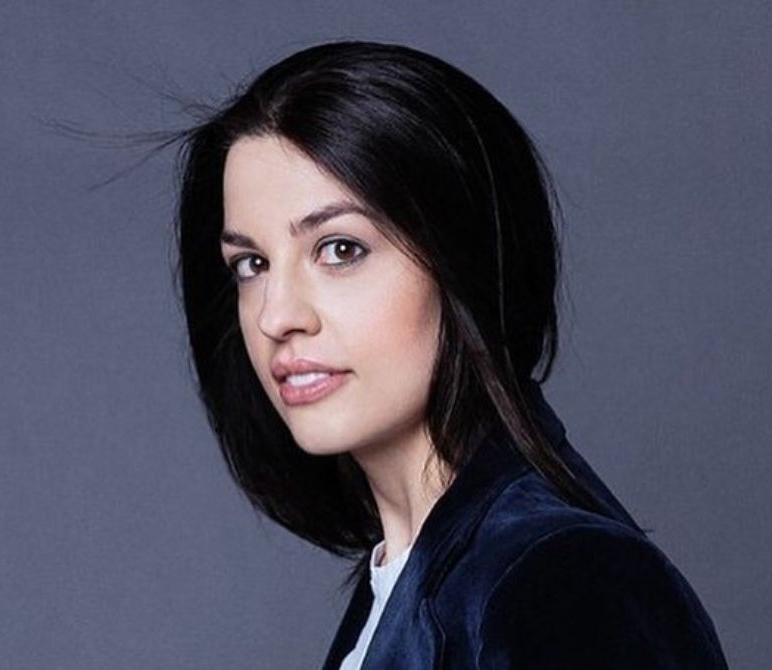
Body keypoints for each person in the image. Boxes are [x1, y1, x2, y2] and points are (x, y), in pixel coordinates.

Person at [171, 39, 729, 668]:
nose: (276, 317)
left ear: (463, 263)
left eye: (341, 250)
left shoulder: (561, 582)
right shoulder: (405, 582)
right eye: (251, 264)